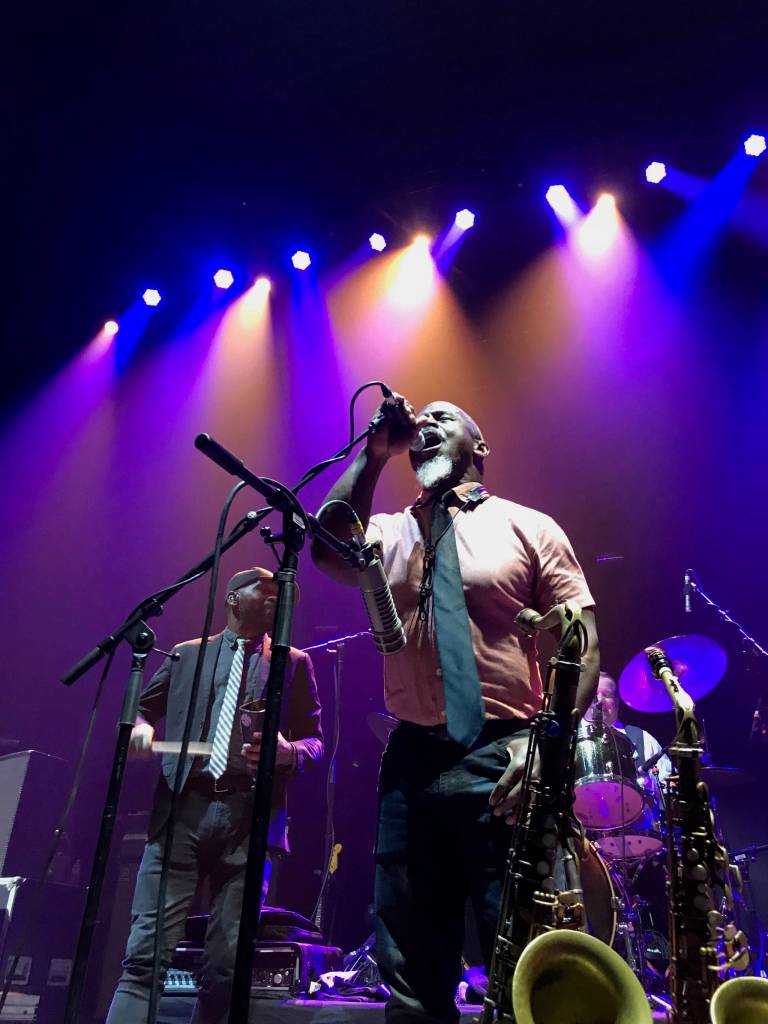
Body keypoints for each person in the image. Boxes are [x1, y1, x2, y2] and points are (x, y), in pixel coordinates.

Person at [312, 395, 599, 1024]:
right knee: (411, 974)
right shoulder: (388, 532)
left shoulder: (529, 527)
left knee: (520, 959)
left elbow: (581, 645)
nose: (427, 425)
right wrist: (374, 454)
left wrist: (546, 746)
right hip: (412, 762)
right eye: (423, 421)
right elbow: (327, 548)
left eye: (444, 417)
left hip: (506, 755)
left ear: (480, 445)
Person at [106, 567, 323, 1024]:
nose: (277, 599)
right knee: (144, 958)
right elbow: (140, 709)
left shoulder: (293, 662)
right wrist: (140, 729)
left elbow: (315, 741)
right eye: (266, 590)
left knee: (227, 968)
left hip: (250, 820)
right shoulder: (186, 654)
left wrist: (288, 753)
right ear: (232, 598)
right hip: (181, 812)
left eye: (281, 594)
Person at [582, 672, 672, 782]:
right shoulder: (569, 736)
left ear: (617, 702)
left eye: (607, 695)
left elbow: (665, 783)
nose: (600, 700)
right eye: (594, 694)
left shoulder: (642, 739)